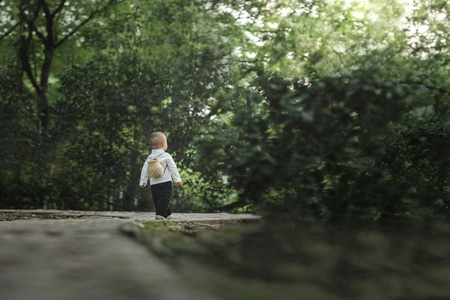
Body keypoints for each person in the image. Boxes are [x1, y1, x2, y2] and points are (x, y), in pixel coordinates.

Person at [139, 131, 183, 220]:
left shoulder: (149, 157)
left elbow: (145, 169)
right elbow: (173, 168)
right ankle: (160, 214)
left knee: (158, 198)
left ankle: (167, 214)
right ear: (164, 144)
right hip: (165, 181)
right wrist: (177, 179)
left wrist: (143, 181)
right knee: (164, 197)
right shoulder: (166, 156)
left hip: (153, 183)